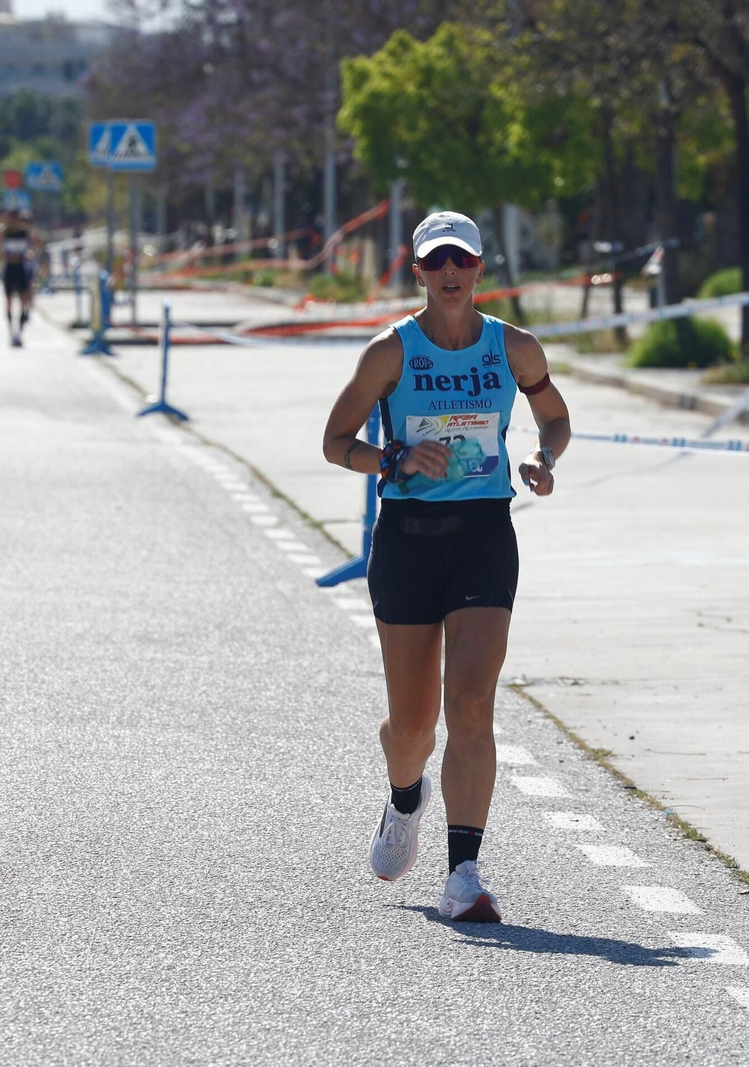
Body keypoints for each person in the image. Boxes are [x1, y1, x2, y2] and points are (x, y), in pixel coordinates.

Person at [320, 211, 571, 924]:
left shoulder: (512, 348)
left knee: (470, 700)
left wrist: (543, 460)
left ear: (480, 270)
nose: (451, 273)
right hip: (407, 539)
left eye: (462, 260)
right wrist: (392, 458)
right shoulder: (389, 353)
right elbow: (336, 441)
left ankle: (464, 872)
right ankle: (405, 796)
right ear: (420, 273)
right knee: (413, 724)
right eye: (437, 263)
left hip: (484, 533)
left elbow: (556, 417)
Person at [0, 209, 35, 346]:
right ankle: (11, 332)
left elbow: (31, 246)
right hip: (9, 268)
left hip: (21, 268)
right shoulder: (4, 232)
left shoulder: (25, 232)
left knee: (23, 301)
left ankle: (19, 333)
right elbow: (0, 250)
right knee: (8, 301)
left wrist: (30, 253)